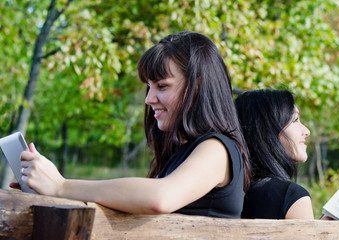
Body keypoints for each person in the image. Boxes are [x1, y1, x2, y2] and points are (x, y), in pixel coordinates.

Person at [11, 31, 251, 219]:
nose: (149, 99)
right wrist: (47, 188)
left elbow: (160, 198)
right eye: (149, 86)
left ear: (196, 87)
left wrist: (61, 186)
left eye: (162, 86)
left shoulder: (217, 149)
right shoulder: (181, 153)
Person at [235, 89, 314, 219]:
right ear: (267, 130)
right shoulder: (291, 197)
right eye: (295, 120)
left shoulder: (229, 193)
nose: (306, 131)